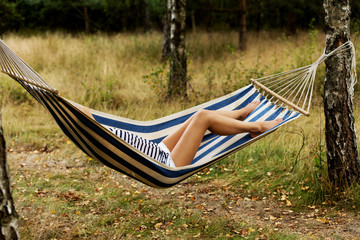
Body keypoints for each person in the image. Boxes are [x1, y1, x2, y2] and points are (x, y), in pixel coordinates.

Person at [78, 101, 283, 167]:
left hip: (157, 150)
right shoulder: (97, 134)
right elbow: (80, 115)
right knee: (203, 117)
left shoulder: (92, 127)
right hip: (166, 163)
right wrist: (58, 103)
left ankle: (239, 114)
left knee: (195, 117)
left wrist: (56, 98)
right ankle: (256, 127)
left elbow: (83, 113)